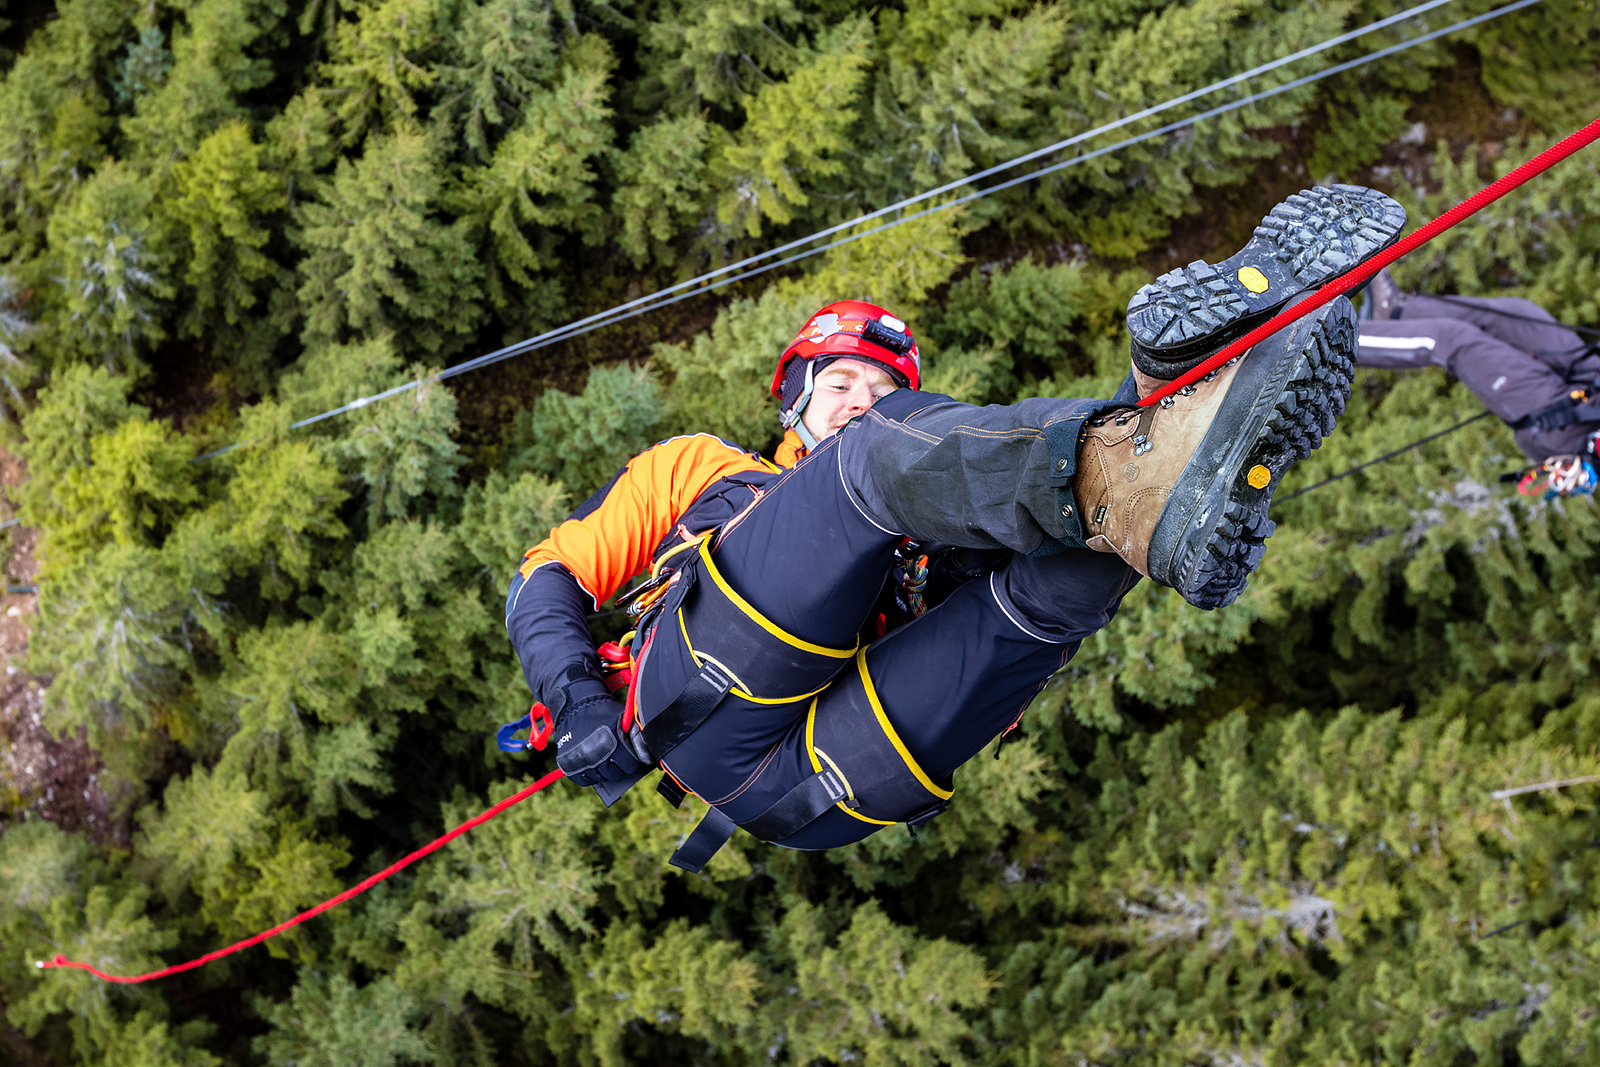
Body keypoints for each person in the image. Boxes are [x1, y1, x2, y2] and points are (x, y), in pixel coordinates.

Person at [505, 185, 1406, 871]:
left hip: (841, 766)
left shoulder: (931, 504)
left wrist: (966, 566)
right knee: (868, 468)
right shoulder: (702, 466)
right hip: (710, 708)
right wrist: (576, 696)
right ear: (795, 398)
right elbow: (548, 576)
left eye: (880, 389)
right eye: (840, 384)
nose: (860, 400)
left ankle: (1176, 417)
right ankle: (1156, 413)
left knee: (1058, 580)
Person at [1358, 269, 1600, 496]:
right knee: (1516, 314)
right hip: (1592, 381)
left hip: (1570, 427)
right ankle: (1392, 313)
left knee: (1453, 340)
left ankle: (1343, 342)